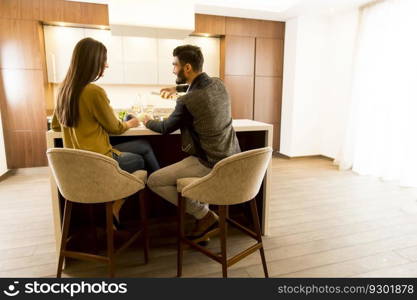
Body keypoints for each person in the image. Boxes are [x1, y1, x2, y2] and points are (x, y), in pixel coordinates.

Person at [51, 37, 160, 225]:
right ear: (94, 62)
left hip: (77, 167)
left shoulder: (64, 90)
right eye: (103, 61)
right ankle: (141, 196)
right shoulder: (94, 92)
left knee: (143, 145)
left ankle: (159, 184)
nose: (106, 65)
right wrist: (132, 123)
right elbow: (115, 127)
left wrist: (87, 124)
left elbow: (55, 125)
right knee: (141, 160)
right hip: (100, 163)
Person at [143, 45, 241, 243]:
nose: (173, 70)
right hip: (234, 161)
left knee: (155, 180)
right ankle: (203, 221)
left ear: (187, 68)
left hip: (210, 165)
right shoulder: (219, 84)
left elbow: (165, 128)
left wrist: (145, 119)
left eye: (175, 65)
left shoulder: (187, 101)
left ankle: (204, 216)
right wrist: (177, 88)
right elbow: (200, 86)